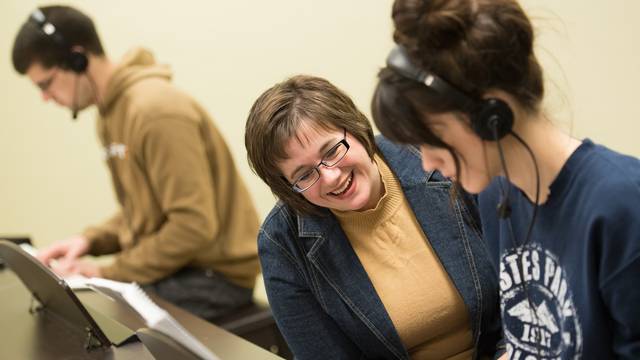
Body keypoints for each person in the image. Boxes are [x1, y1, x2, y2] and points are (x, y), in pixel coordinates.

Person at [372, 0, 640, 358]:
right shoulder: (497, 193)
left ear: (492, 114)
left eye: (434, 137)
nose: (428, 162)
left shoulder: (620, 203)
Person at [11, 5, 260, 322]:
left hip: (211, 278)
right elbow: (144, 210)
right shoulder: (111, 114)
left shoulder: (154, 111)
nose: (45, 98)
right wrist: (89, 240)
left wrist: (104, 270)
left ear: (78, 58)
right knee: (77, 315)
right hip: (184, 269)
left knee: (98, 324)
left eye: (46, 84)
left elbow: (193, 226)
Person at [245, 74, 502, 359]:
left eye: (332, 151)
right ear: (289, 189)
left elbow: (528, 287)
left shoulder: (435, 157)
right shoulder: (283, 244)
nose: (330, 177)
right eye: (305, 175)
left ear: (356, 129)